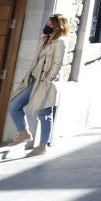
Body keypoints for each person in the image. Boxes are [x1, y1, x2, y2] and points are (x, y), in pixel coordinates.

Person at [9, 13, 68, 155]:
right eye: (46, 23)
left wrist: (48, 80)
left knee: (44, 112)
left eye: (49, 24)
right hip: (34, 80)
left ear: (57, 27)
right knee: (14, 105)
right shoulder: (45, 40)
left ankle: (42, 146)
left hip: (45, 82)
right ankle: (24, 132)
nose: (46, 26)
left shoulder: (60, 42)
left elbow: (57, 63)